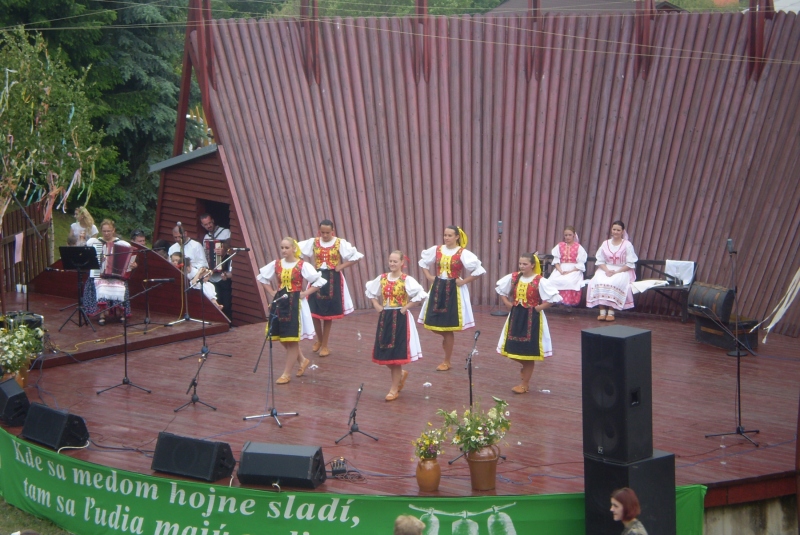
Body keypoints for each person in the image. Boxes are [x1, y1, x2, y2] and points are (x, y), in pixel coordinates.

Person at [257, 237, 327, 384]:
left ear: (294, 248)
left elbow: (319, 281)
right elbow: (263, 278)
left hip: (294, 304)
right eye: (282, 247)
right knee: (282, 336)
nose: (284, 250)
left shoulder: (302, 265)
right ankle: (302, 360)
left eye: (286, 247)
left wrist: (305, 293)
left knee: (291, 339)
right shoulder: (276, 264)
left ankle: (286, 374)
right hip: (280, 303)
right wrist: (271, 292)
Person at [418, 225, 485, 371]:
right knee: (430, 320)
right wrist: (429, 276)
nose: (446, 238)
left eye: (449, 235)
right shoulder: (437, 250)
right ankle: (446, 341)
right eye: (445, 235)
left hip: (453, 289)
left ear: (456, 237)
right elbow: (423, 262)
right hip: (438, 287)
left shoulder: (462, 253)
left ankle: (447, 360)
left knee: (449, 327)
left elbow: (478, 270)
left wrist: (463, 281)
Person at [365, 251, 428, 401]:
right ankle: (400, 375)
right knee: (384, 351)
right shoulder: (382, 278)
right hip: (385, 316)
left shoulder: (406, 280)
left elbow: (421, 294)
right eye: (390, 261)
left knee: (395, 353)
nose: (392, 264)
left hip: (399, 317)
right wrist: (376, 305)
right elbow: (370, 292)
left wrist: (406, 307)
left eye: (395, 261)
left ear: (402, 263)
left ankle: (394, 388)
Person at [496, 252, 562, 393]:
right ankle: (524, 371)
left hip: (532, 318)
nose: (522, 266)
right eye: (520, 263)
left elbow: (554, 298)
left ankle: (524, 383)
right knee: (512, 347)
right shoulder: (514, 277)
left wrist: (539, 307)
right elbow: (500, 289)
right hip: (516, 316)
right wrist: (507, 303)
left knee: (528, 351)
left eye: (525, 264)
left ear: (532, 265)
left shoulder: (539, 280)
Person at [298, 219, 363, 357]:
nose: (325, 235)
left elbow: (356, 256)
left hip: (333, 278)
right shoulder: (314, 242)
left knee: (328, 313)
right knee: (313, 309)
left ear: (332, 231)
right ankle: (320, 340)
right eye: (322, 232)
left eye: (327, 232)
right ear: (319, 231)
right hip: (317, 276)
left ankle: (325, 344)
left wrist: (340, 266)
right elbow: (296, 250)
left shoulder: (339, 243)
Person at [83, 219, 132, 325]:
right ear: (101, 231)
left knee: (121, 285)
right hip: (100, 274)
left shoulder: (122, 244)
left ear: (113, 230)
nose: (106, 233)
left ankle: (121, 312)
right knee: (95, 282)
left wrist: (132, 264)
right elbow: (90, 260)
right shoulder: (95, 243)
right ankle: (101, 314)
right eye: (104, 231)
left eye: (109, 231)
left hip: (116, 275)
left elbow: (130, 260)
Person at [586, 220, 638, 321]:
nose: (616, 232)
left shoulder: (627, 245)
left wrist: (617, 272)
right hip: (606, 268)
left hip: (622, 270)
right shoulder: (605, 243)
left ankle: (611, 311)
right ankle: (602, 311)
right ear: (611, 230)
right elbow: (600, 260)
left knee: (614, 282)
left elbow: (630, 263)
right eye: (614, 229)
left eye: (618, 230)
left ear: (623, 231)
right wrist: (606, 270)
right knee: (597, 281)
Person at [200, 214, 233, 321]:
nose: (208, 226)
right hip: (212, 277)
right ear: (202, 225)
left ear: (213, 221)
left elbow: (231, 249)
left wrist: (224, 250)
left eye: (210, 223)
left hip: (223, 275)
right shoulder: (206, 238)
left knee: (226, 303)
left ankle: (228, 323)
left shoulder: (225, 232)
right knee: (215, 302)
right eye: (206, 224)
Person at [547, 226, 588, 306]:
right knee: (552, 280)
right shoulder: (560, 246)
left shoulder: (578, 247)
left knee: (570, 281)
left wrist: (570, 271)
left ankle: (568, 302)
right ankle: (553, 301)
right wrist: (560, 271)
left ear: (573, 235)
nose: (567, 237)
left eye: (570, 235)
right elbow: (556, 261)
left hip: (574, 269)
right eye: (566, 235)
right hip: (561, 268)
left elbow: (580, 264)